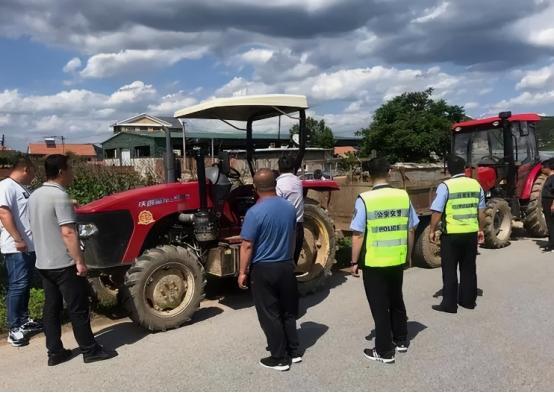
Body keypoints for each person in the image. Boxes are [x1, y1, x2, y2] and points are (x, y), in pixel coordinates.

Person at [28, 154, 116, 366]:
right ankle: (90, 349)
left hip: (44, 262)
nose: (73, 173)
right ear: (61, 172)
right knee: (78, 307)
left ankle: (55, 352)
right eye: (71, 169)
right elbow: (68, 232)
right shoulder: (60, 196)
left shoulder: (35, 195)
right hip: (64, 263)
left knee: (51, 308)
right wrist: (79, 261)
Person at [350, 158, 419, 364]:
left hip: (374, 262)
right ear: (389, 172)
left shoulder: (365, 199)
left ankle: (384, 351)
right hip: (397, 258)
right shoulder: (402, 196)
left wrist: (354, 261)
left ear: (369, 175)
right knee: (396, 299)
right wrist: (408, 255)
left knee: (379, 306)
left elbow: (358, 235)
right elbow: (411, 228)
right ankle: (401, 340)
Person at [238, 168, 300, 371]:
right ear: (275, 184)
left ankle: (279, 357)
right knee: (288, 311)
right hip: (286, 265)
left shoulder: (254, 212)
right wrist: (290, 259)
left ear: (255, 187)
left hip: (264, 269)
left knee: (269, 313)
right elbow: (292, 237)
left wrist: (242, 272)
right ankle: (294, 350)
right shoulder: (290, 208)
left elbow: (247, 245)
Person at [429, 154, 486, 313]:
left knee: (449, 270)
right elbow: (481, 212)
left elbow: (437, 211)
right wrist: (480, 229)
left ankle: (449, 304)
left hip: (452, 235)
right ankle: (468, 302)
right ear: (464, 169)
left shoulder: (445, 186)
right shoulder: (476, 185)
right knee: (468, 268)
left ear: (448, 169)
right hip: (470, 234)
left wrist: (432, 230)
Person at [0, 154, 43, 347]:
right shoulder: (6, 186)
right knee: (17, 285)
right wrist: (18, 239)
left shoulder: (20, 188)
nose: (33, 177)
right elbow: (3, 212)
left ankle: (24, 320)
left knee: (24, 284)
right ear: (26, 169)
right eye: (33, 172)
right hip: (16, 246)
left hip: (27, 246)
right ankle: (14, 328)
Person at [276, 155, 304, 264]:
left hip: (283, 226)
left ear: (279, 169)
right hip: (298, 225)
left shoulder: (277, 184)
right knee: (293, 260)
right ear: (293, 169)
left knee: (282, 260)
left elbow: (275, 205)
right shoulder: (298, 182)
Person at [541, 158, 554, 251]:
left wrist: (553, 204)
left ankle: (551, 244)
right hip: (547, 202)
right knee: (550, 223)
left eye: (544, 167)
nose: (542, 169)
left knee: (551, 224)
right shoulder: (549, 178)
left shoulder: (553, 178)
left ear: (549, 168)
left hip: (550, 202)